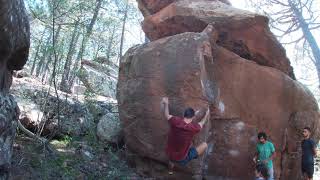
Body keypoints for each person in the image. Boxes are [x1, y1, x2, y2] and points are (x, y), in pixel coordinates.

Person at [160, 97, 209, 175]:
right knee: (205, 145)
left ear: (184, 115)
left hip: (170, 153)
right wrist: (206, 114)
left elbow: (167, 115)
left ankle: (170, 171)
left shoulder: (175, 121)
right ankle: (191, 157)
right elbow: (202, 123)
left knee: (171, 160)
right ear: (193, 117)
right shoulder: (193, 128)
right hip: (181, 158)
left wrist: (166, 104)